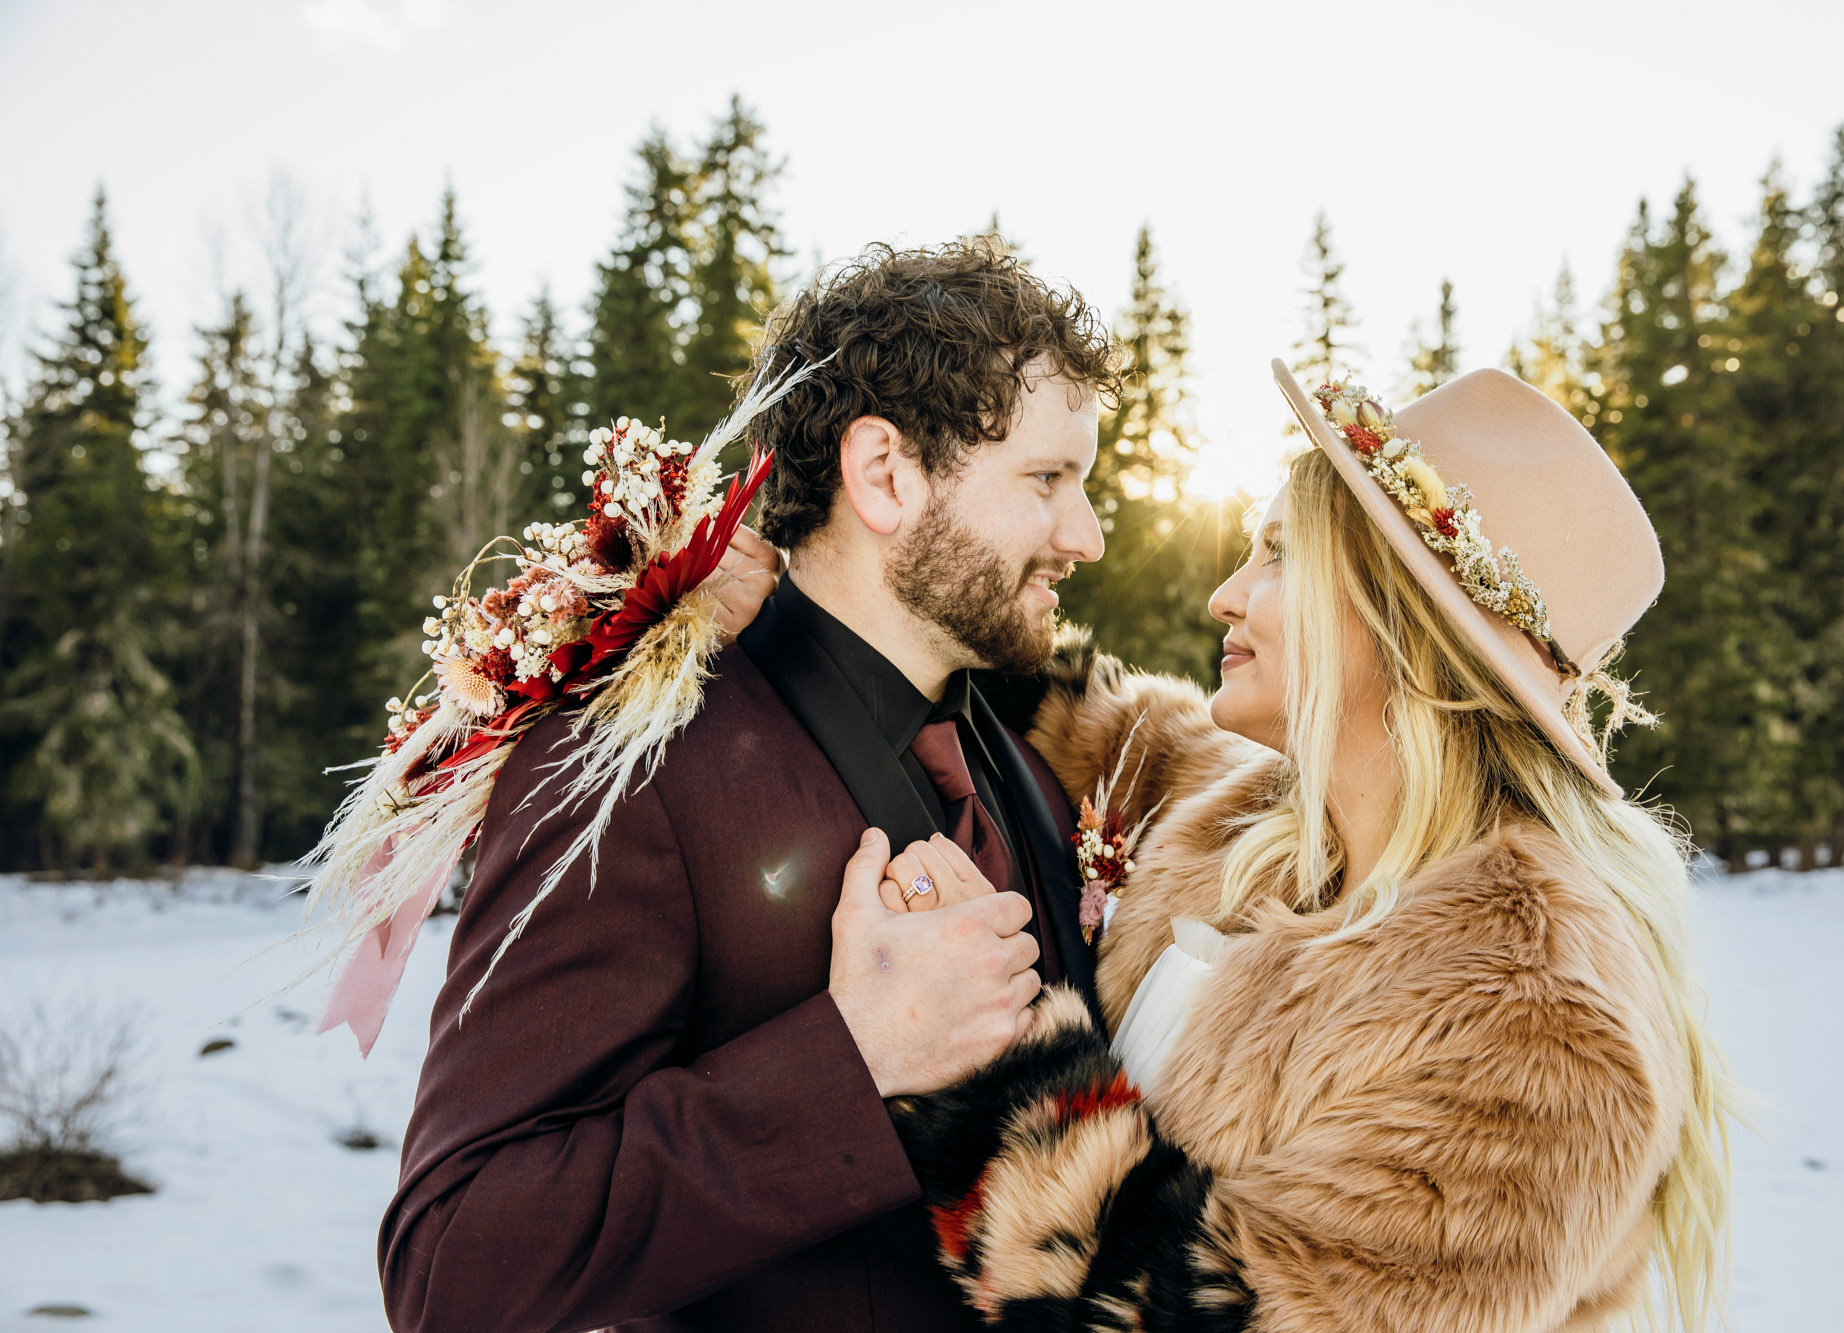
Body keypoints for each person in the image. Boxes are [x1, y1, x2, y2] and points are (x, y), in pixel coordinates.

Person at [873, 362, 1736, 1331]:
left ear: (1399, 619)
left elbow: (1216, 1310)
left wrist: (977, 1049)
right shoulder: (1255, 810)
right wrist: (782, 580)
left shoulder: (1535, 1016)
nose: (1223, 596)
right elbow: (1076, 711)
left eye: (1277, 554)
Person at [377, 240, 1121, 1332]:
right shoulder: (628, 768)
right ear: (884, 474)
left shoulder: (1039, 776)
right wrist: (853, 1060)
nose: (1087, 536)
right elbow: (453, 1265)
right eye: (1047, 480)